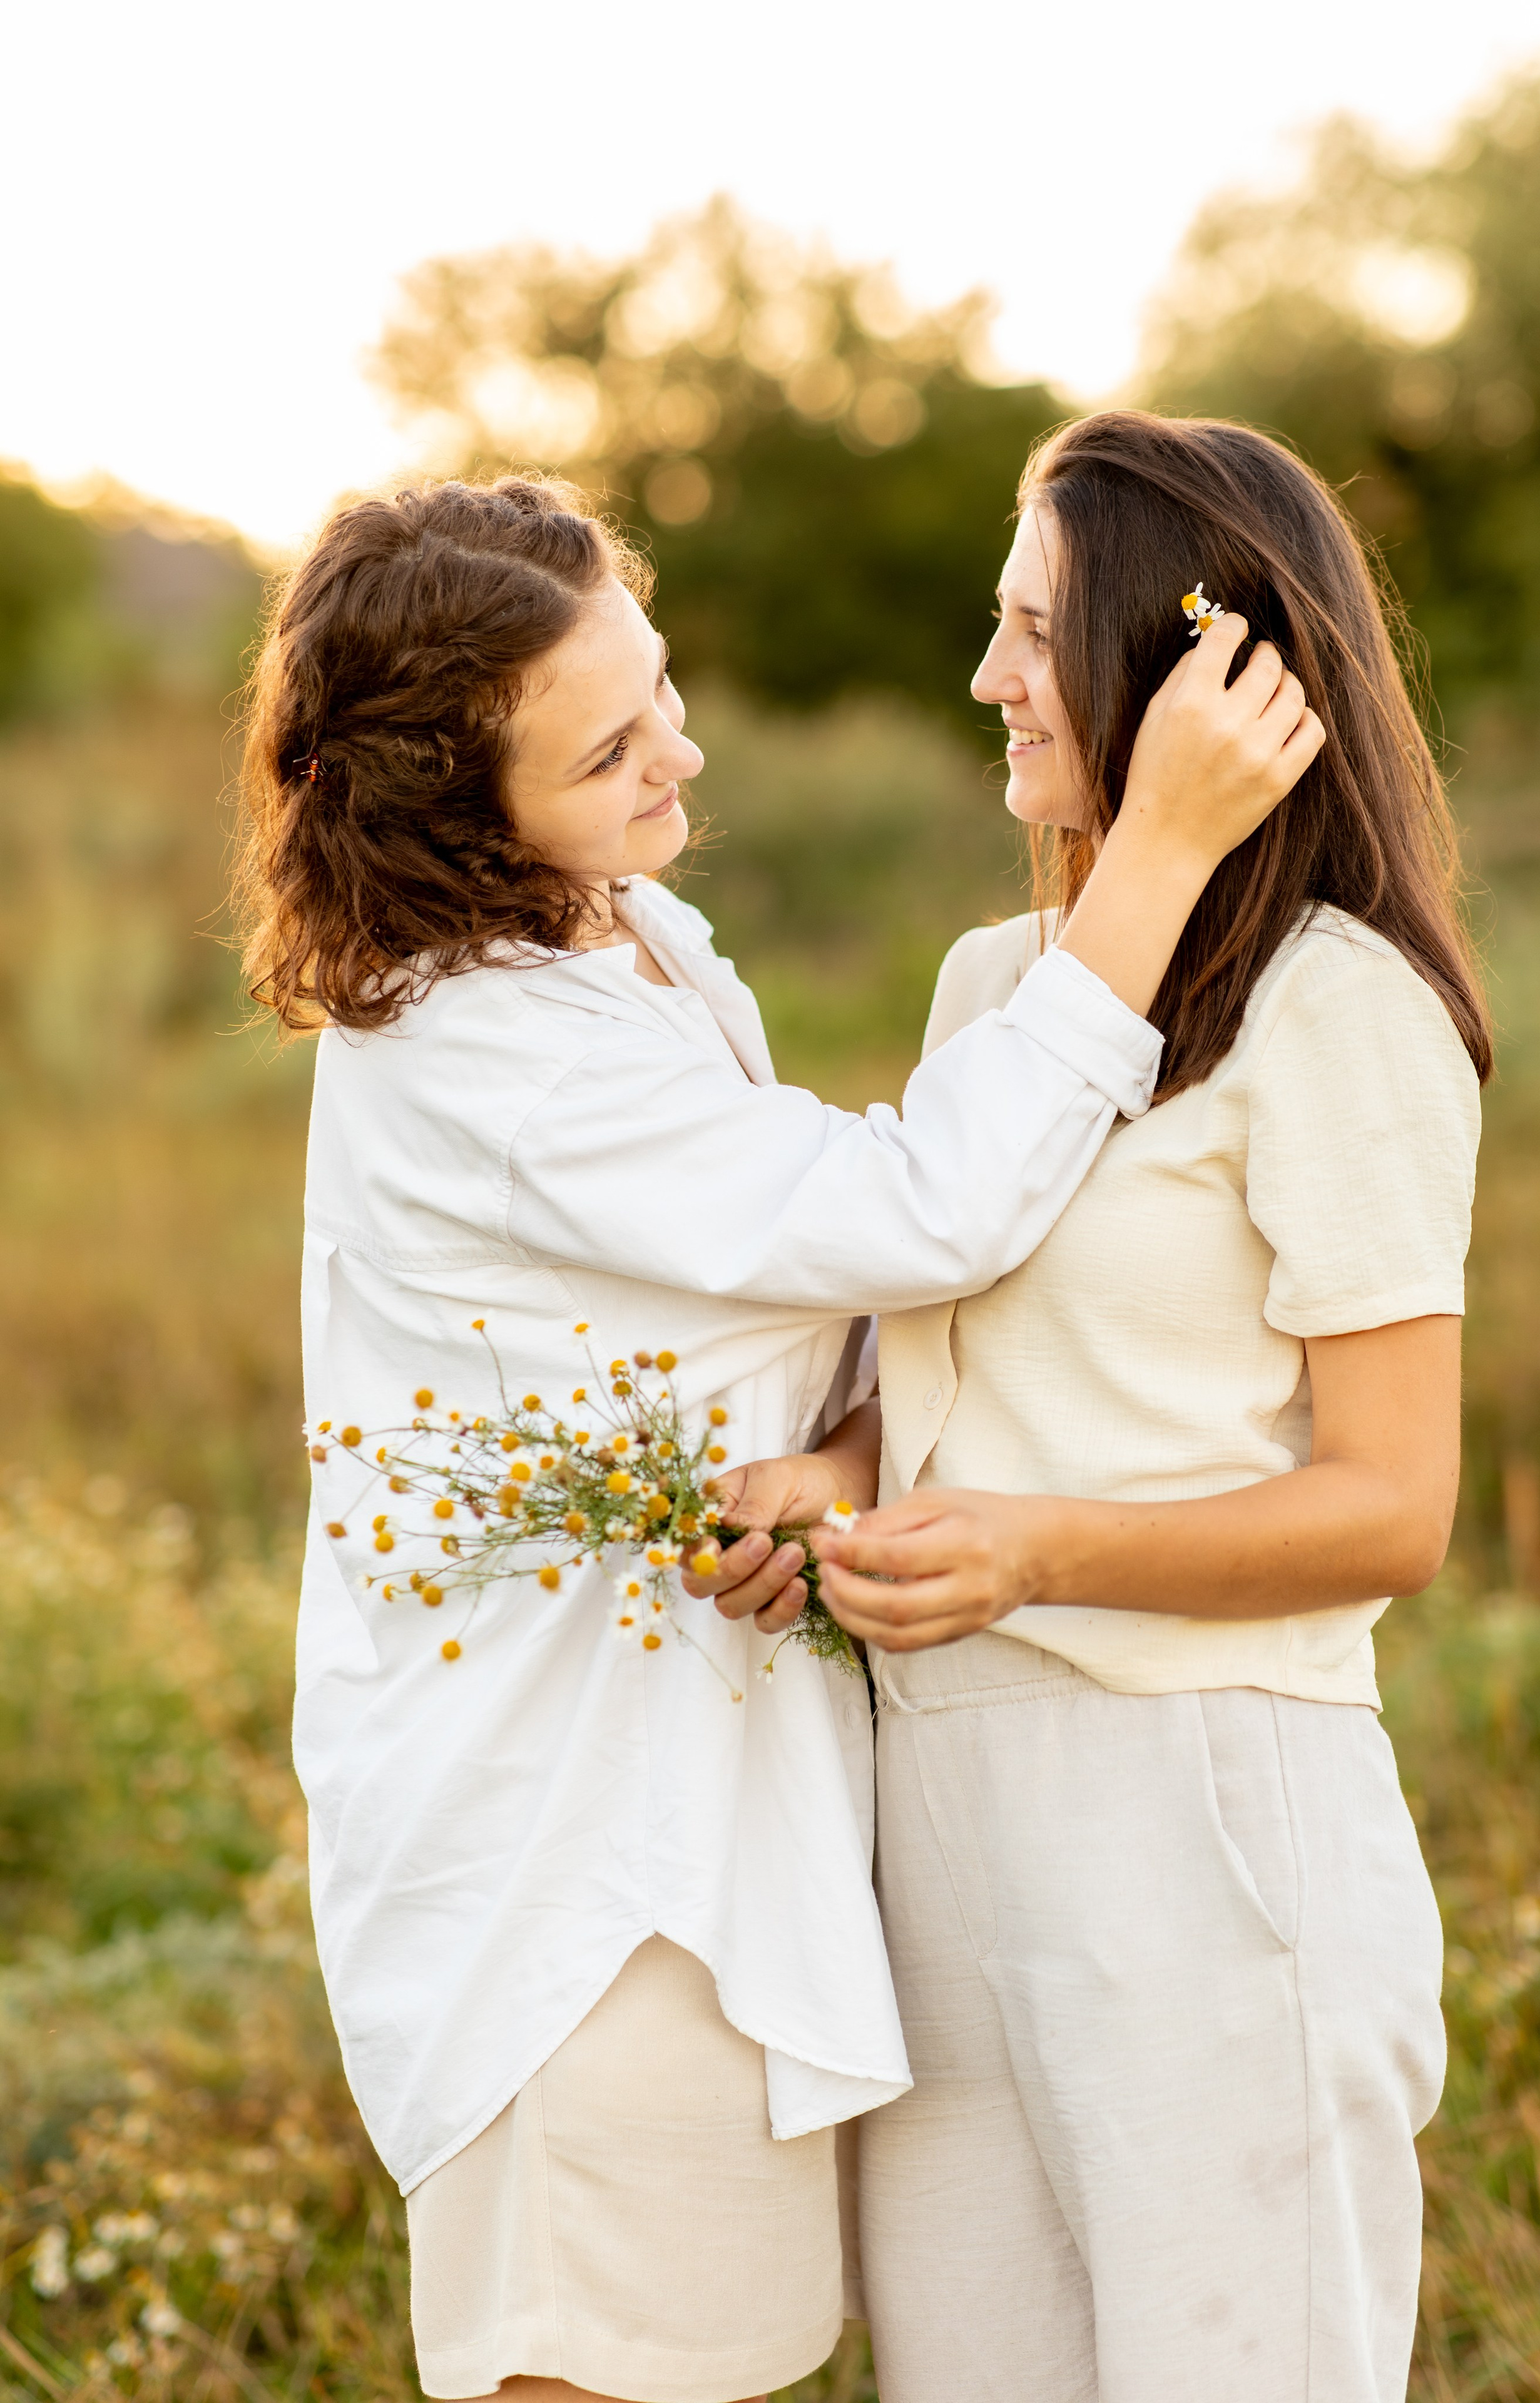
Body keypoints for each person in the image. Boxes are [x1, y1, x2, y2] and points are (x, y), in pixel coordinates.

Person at [235, 471, 1318, 2403]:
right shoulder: (479, 1038)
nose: (682, 753)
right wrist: (1157, 855)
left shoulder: (633, 931)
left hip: (707, 1812)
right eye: (608, 748)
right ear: (450, 809)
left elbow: (786, 1301)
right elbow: (916, 1217)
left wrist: (832, 1457)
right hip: (567, 1857)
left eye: (656, 689)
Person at [702, 412, 1489, 2403]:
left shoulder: (1343, 1006)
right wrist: (846, 1468)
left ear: (1185, 663)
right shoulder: (997, 985)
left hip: (1207, 1818)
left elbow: (1393, 1509)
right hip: (947, 1825)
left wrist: (1040, 1549)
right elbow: (985, 1340)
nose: (990, 681)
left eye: (1035, 632)